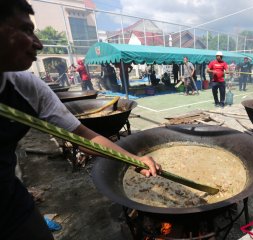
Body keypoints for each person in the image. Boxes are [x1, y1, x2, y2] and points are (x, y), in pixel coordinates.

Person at [0, 1, 160, 239]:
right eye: (25, 30)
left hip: (9, 201)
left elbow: (83, 136)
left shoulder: (27, 87)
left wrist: (134, 159)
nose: (38, 43)